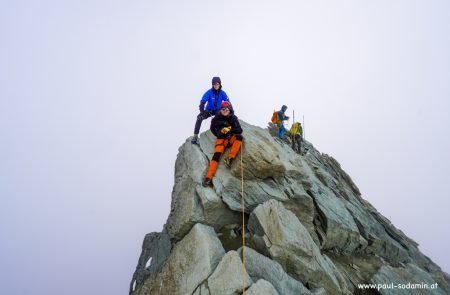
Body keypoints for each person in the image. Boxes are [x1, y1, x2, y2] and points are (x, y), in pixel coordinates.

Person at [203, 101, 243, 187]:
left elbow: (239, 130)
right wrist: (219, 134)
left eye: (227, 109)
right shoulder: (215, 119)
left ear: (230, 110)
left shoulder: (233, 118)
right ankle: (208, 178)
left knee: (239, 137)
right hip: (221, 140)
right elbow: (212, 129)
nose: (225, 110)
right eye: (223, 109)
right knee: (216, 157)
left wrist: (229, 129)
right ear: (220, 109)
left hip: (230, 139)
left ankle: (230, 158)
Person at [191, 77, 230, 144]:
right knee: (199, 118)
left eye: (217, 84)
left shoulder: (222, 93)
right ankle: (195, 136)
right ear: (212, 85)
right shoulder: (209, 92)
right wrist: (202, 112)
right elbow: (202, 102)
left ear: (220, 84)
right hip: (209, 111)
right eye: (214, 84)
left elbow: (228, 103)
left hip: (218, 111)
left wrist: (229, 111)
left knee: (223, 118)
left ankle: (225, 133)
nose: (216, 85)